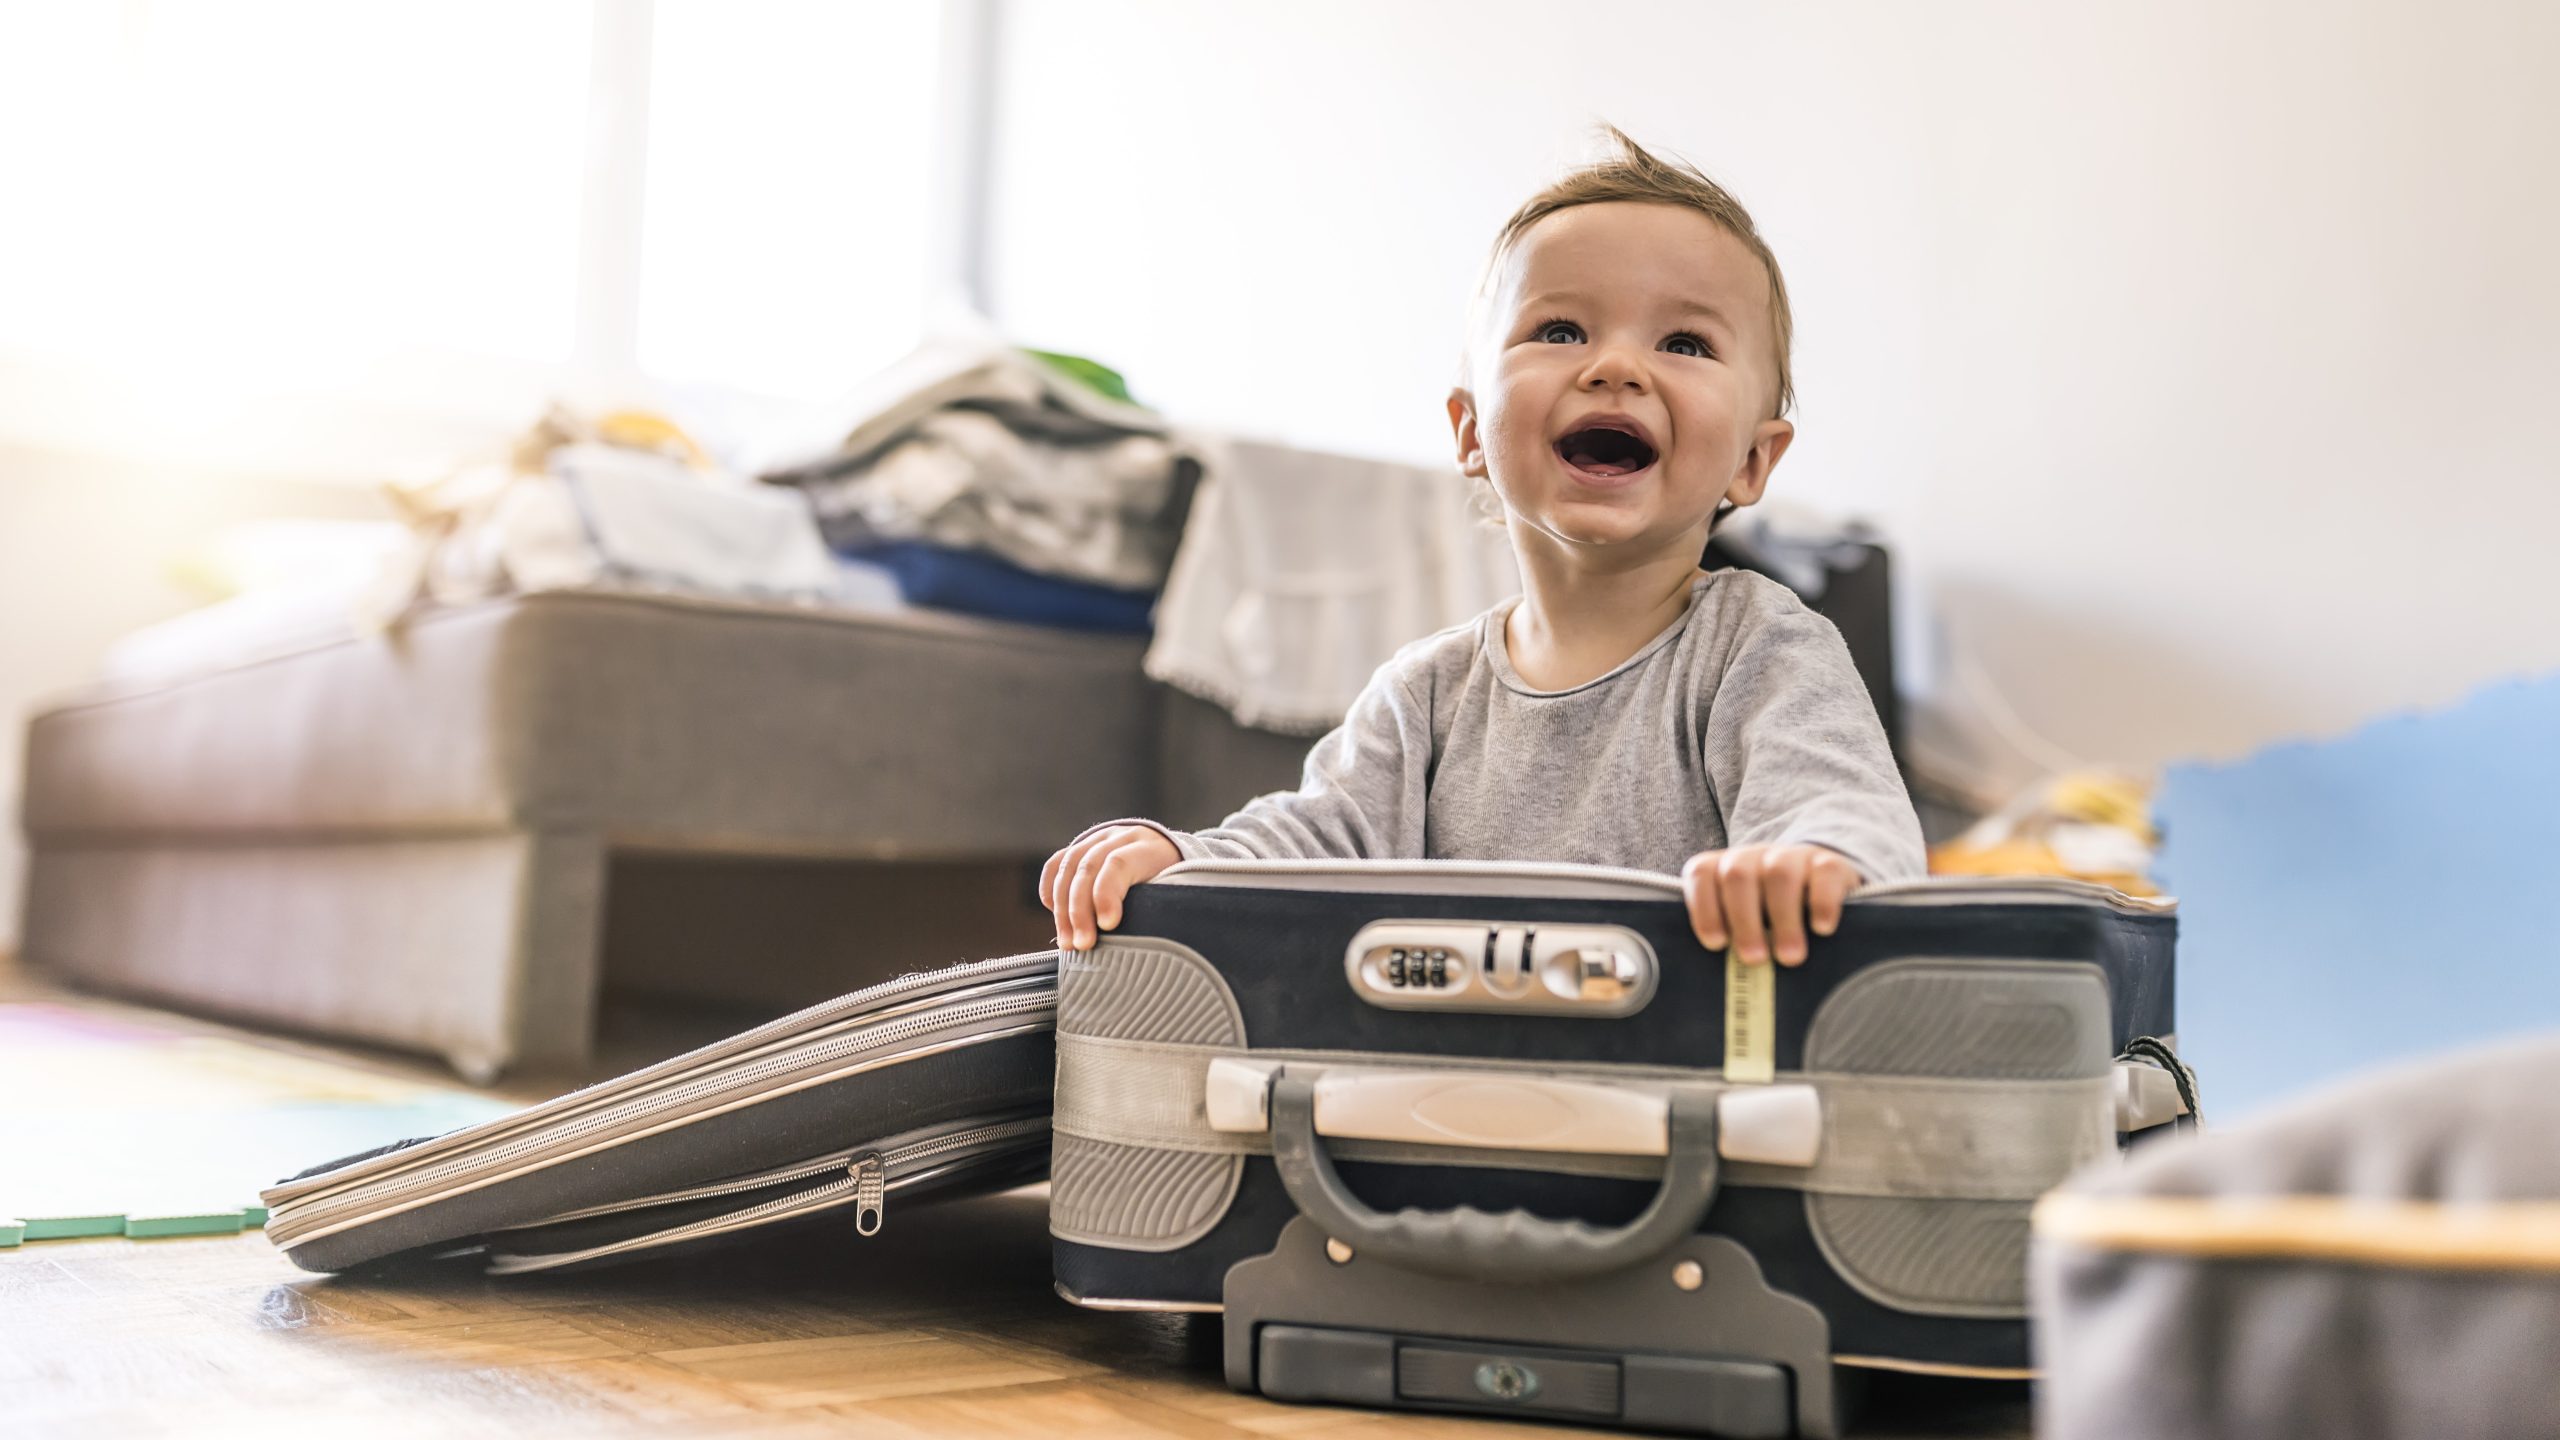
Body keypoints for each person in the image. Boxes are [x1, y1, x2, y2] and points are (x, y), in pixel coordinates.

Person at [1044, 128, 1924, 969]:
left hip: (1685, 1092)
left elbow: (1849, 809)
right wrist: (1183, 859)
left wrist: (1815, 859)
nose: (1615, 367)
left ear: (1753, 459)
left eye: (1684, 343)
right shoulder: (1425, 696)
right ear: (1469, 432)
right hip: (1452, 1087)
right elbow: (1314, 841)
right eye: (1561, 331)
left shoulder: (1762, 647)